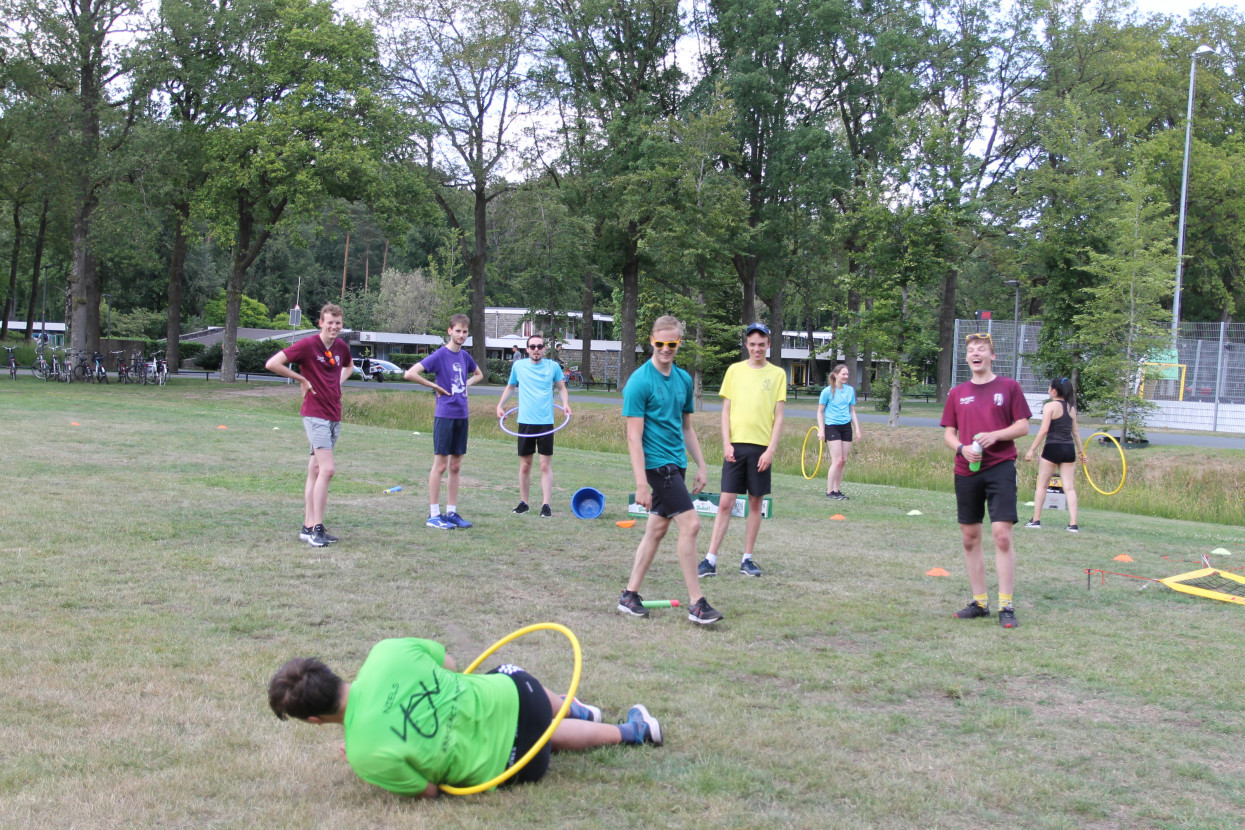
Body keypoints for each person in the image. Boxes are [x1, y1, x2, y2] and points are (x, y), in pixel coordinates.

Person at [268, 637, 662, 798]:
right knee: (505, 678)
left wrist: (361, 758)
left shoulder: (364, 754)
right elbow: (454, 665)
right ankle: (618, 725)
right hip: (524, 701)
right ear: (331, 672)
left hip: (514, 769)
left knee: (543, 738)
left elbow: (429, 791)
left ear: (314, 721)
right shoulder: (386, 653)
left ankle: (617, 725)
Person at [618, 315, 722, 625]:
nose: (665, 349)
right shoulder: (639, 381)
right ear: (651, 341)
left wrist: (701, 464)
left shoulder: (684, 380)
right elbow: (633, 437)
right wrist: (640, 484)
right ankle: (697, 602)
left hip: (677, 463)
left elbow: (686, 427)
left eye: (671, 344)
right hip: (656, 466)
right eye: (660, 343)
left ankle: (629, 595)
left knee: (657, 529)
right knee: (690, 526)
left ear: (678, 343)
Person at [940, 331, 1032, 628]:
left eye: (981, 349)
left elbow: (1022, 427)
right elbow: (948, 434)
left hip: (1000, 466)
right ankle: (980, 602)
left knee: (1002, 535)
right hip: (967, 469)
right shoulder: (957, 393)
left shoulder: (1009, 387)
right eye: (970, 350)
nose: (975, 353)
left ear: (992, 356)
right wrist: (961, 448)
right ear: (966, 357)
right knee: (970, 538)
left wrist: (996, 435)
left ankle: (1006, 605)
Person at [697, 322, 786, 578]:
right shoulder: (734, 371)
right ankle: (710, 560)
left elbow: (778, 417)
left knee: (755, 503)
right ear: (746, 345)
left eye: (761, 344)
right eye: (752, 344)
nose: (757, 348)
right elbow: (725, 411)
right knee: (726, 502)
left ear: (768, 344)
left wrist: (770, 450)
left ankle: (747, 559)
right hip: (735, 446)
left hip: (761, 448)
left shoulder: (778, 374)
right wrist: (726, 443)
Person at [265, 303, 355, 548]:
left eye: (338, 323)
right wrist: (302, 378)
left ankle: (307, 527)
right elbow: (273, 363)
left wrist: (336, 383)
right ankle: (317, 528)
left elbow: (349, 366)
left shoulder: (341, 347)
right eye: (330, 322)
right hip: (315, 414)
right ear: (320, 323)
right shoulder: (307, 345)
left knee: (315, 469)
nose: (334, 327)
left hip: (334, 413)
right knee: (327, 470)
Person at [404, 314, 484, 530]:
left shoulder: (465, 357)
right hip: (445, 416)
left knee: (456, 466)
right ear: (450, 331)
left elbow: (479, 374)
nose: (461, 335)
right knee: (440, 465)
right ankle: (434, 515)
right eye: (457, 331)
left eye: (465, 332)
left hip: (462, 416)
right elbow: (410, 374)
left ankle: (451, 512)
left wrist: (466, 383)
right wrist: (435, 387)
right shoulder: (440, 355)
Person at [496, 333, 572, 517]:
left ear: (544, 349)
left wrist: (565, 404)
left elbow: (561, 387)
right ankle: (524, 503)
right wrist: (500, 405)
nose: (536, 350)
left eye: (540, 346)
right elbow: (510, 387)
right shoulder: (518, 366)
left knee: (545, 465)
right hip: (525, 422)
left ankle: (546, 505)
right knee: (525, 465)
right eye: (532, 347)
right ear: (527, 349)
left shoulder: (553, 366)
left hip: (546, 422)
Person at [1024, 377, 1084, 532]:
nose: (1048, 390)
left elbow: (1044, 430)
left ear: (1054, 390)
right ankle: (1073, 524)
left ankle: (1036, 520)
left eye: (1049, 387)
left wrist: (1031, 449)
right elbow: (1075, 432)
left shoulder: (1050, 406)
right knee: (1069, 488)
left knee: (1042, 486)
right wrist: (1081, 452)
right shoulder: (1071, 408)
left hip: (1053, 448)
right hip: (1068, 449)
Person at [816, 363, 863, 500]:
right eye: (843, 374)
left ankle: (837, 490)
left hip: (846, 426)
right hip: (832, 426)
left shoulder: (850, 390)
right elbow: (820, 412)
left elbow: (852, 411)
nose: (846, 376)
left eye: (847, 374)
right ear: (836, 375)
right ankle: (830, 491)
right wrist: (821, 430)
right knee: (836, 460)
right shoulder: (827, 391)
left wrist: (857, 428)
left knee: (843, 460)